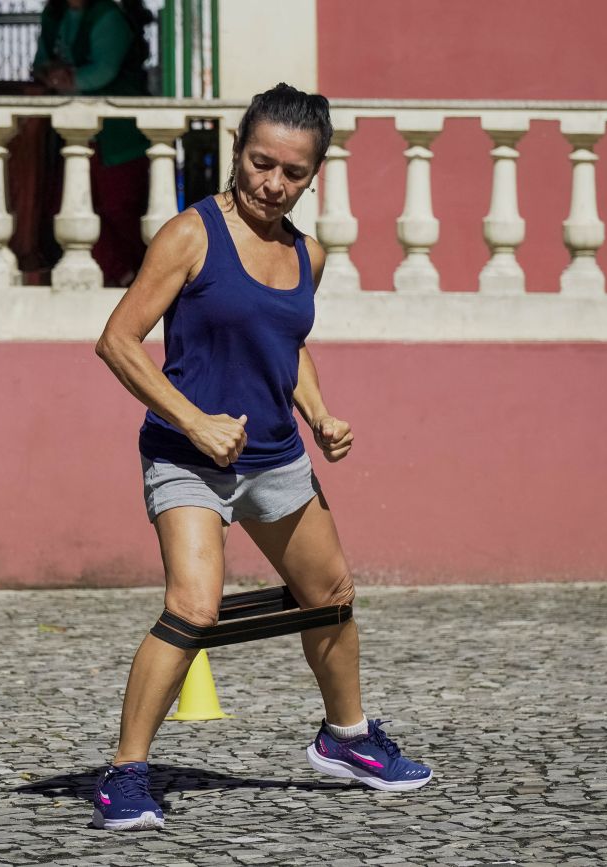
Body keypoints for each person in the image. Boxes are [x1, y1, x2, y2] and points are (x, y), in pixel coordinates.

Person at [92, 83, 433, 832]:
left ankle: (347, 738)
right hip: (186, 455)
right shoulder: (190, 234)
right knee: (194, 607)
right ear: (238, 151)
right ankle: (124, 775)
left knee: (331, 592)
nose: (273, 183)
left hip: (276, 456)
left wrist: (320, 414)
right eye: (260, 163)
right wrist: (195, 422)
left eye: (293, 172)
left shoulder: (307, 253)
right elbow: (118, 340)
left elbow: (287, 342)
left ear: (313, 175)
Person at [33, 0, 152, 287]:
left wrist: (65, 79)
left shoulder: (107, 17)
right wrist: (49, 73)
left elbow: (103, 70)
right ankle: (125, 277)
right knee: (64, 207)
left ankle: (143, 281)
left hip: (118, 137)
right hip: (78, 133)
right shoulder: (55, 14)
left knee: (119, 210)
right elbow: (40, 63)